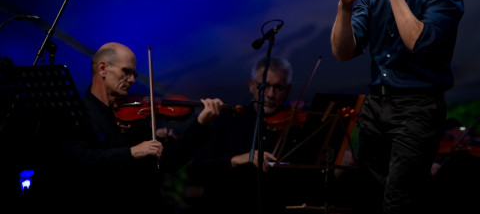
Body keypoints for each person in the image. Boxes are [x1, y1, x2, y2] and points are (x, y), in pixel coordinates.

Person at [331, 0, 464, 214]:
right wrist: (345, 6)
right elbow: (343, 52)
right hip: (376, 106)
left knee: (399, 202)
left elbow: (419, 43)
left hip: (417, 108)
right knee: (370, 201)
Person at [29, 42, 224, 214]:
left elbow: (168, 162)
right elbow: (78, 159)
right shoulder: (76, 113)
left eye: (134, 74)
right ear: (103, 69)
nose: (132, 80)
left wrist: (201, 124)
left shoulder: (135, 116)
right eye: (126, 71)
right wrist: (131, 152)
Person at [184, 56, 320, 214]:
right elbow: (195, 171)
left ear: (288, 90)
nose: (270, 94)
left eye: (278, 88)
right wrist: (236, 160)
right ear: (251, 86)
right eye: (264, 86)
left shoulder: (295, 126)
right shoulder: (228, 120)